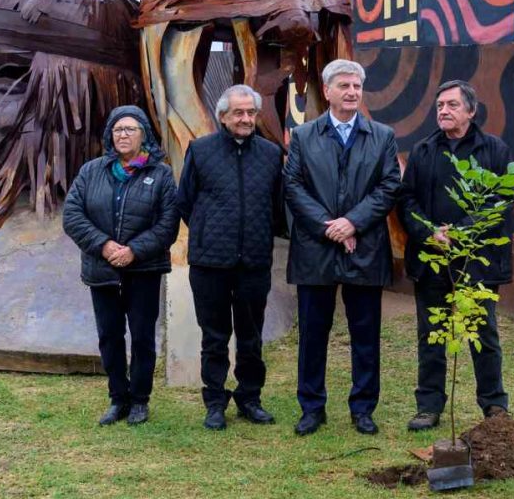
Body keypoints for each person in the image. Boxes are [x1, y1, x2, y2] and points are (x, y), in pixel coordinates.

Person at [284, 59, 403, 436]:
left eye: (357, 86)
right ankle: (311, 407)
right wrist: (330, 228)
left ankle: (363, 408)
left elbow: (388, 187)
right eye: (344, 86)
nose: (352, 92)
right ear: (328, 91)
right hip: (315, 250)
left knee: (365, 334)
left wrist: (353, 222)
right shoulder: (303, 136)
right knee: (313, 334)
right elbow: (293, 187)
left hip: (364, 248)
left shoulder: (381, 136)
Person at [400, 79, 514, 431]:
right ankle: (429, 406)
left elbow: (499, 201)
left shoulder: (494, 150)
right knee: (431, 333)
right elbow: (407, 200)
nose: (444, 111)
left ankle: (494, 406)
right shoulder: (423, 150)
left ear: (471, 110)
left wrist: (461, 232)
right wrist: (430, 233)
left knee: (483, 333)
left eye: (451, 105)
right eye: (439, 106)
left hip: (477, 260)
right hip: (432, 256)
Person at [63, 106, 179, 426]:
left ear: (144, 135)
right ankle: (118, 399)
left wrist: (134, 251)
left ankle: (140, 400)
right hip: (102, 269)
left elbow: (168, 224)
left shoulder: (160, 174)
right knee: (109, 336)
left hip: (143, 269)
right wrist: (105, 245)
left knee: (142, 336)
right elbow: (72, 216)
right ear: (109, 136)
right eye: (117, 130)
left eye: (130, 129)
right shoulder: (91, 172)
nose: (123, 135)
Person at [177, 85, 282, 430]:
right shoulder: (201, 150)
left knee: (251, 335)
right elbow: (186, 201)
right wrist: (210, 232)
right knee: (215, 335)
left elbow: (277, 206)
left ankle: (250, 398)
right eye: (238, 112)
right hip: (211, 263)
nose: (246, 119)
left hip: (253, 262)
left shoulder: (269, 154)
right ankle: (215, 401)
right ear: (223, 115)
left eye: (251, 112)